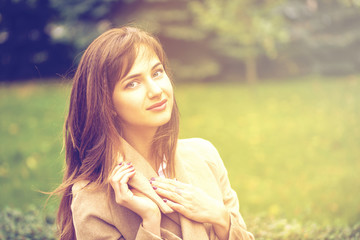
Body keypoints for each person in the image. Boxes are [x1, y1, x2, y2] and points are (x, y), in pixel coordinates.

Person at [54, 26, 255, 240]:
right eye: (133, 83)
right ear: (107, 104)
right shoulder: (92, 195)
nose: (156, 90)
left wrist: (221, 218)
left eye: (157, 73)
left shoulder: (205, 155)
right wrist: (150, 220)